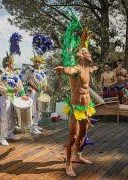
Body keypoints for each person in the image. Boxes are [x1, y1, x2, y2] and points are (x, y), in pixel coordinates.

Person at [55, 48, 97, 177]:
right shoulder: (77, 69)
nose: (89, 54)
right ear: (82, 56)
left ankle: (78, 156)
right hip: (76, 107)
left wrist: (95, 68)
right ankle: (68, 164)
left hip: (86, 107)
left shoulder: (88, 69)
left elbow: (93, 69)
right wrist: (63, 69)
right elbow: (70, 70)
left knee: (83, 135)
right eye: (86, 52)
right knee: (73, 137)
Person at [0, 55, 29, 146]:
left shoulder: (15, 75)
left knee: (12, 116)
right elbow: (0, 87)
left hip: (13, 98)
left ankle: (10, 133)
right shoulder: (1, 74)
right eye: (12, 62)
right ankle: (2, 137)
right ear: (8, 63)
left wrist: (23, 95)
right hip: (5, 98)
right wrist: (12, 90)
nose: (13, 64)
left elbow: (20, 86)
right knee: (5, 117)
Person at [25, 55, 48, 134]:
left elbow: (45, 81)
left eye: (39, 62)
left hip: (40, 92)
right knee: (33, 109)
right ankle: (32, 128)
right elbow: (25, 80)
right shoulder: (30, 70)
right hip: (32, 91)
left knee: (39, 109)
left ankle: (36, 124)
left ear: (41, 63)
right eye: (36, 61)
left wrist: (45, 86)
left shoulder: (42, 71)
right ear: (34, 62)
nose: (37, 63)